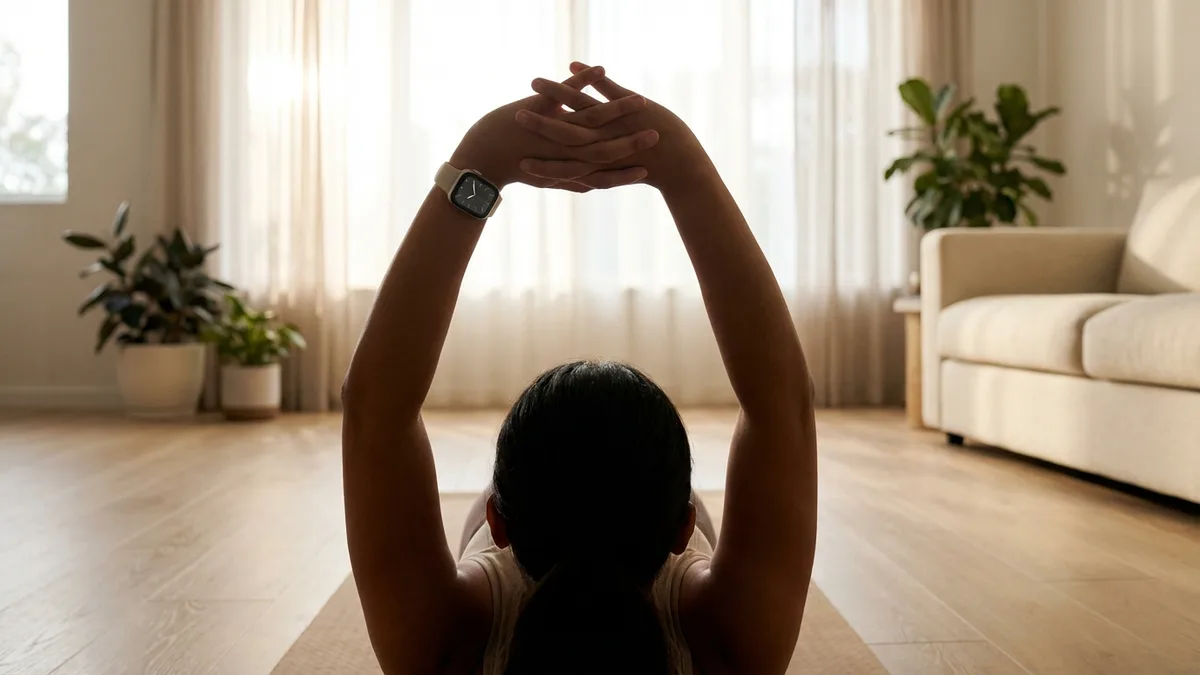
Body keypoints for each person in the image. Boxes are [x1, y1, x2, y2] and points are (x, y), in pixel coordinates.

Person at [341, 62, 818, 675]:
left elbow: (374, 410)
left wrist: (479, 162)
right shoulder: (721, 638)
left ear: (498, 524)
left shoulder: (455, 637)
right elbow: (783, 406)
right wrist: (683, 168)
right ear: (683, 529)